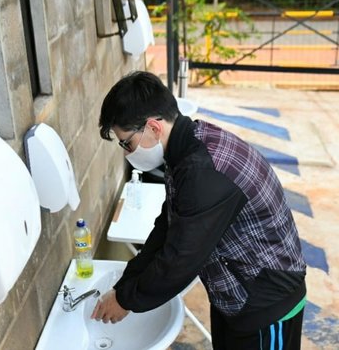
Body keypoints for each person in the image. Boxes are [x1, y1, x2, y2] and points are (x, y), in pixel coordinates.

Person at [92, 71, 306, 349]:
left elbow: (181, 259)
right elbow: (167, 228)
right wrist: (126, 284)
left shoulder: (202, 170)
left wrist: (125, 300)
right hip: (237, 292)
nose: (126, 152)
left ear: (154, 127)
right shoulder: (186, 146)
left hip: (267, 303)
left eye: (126, 143)